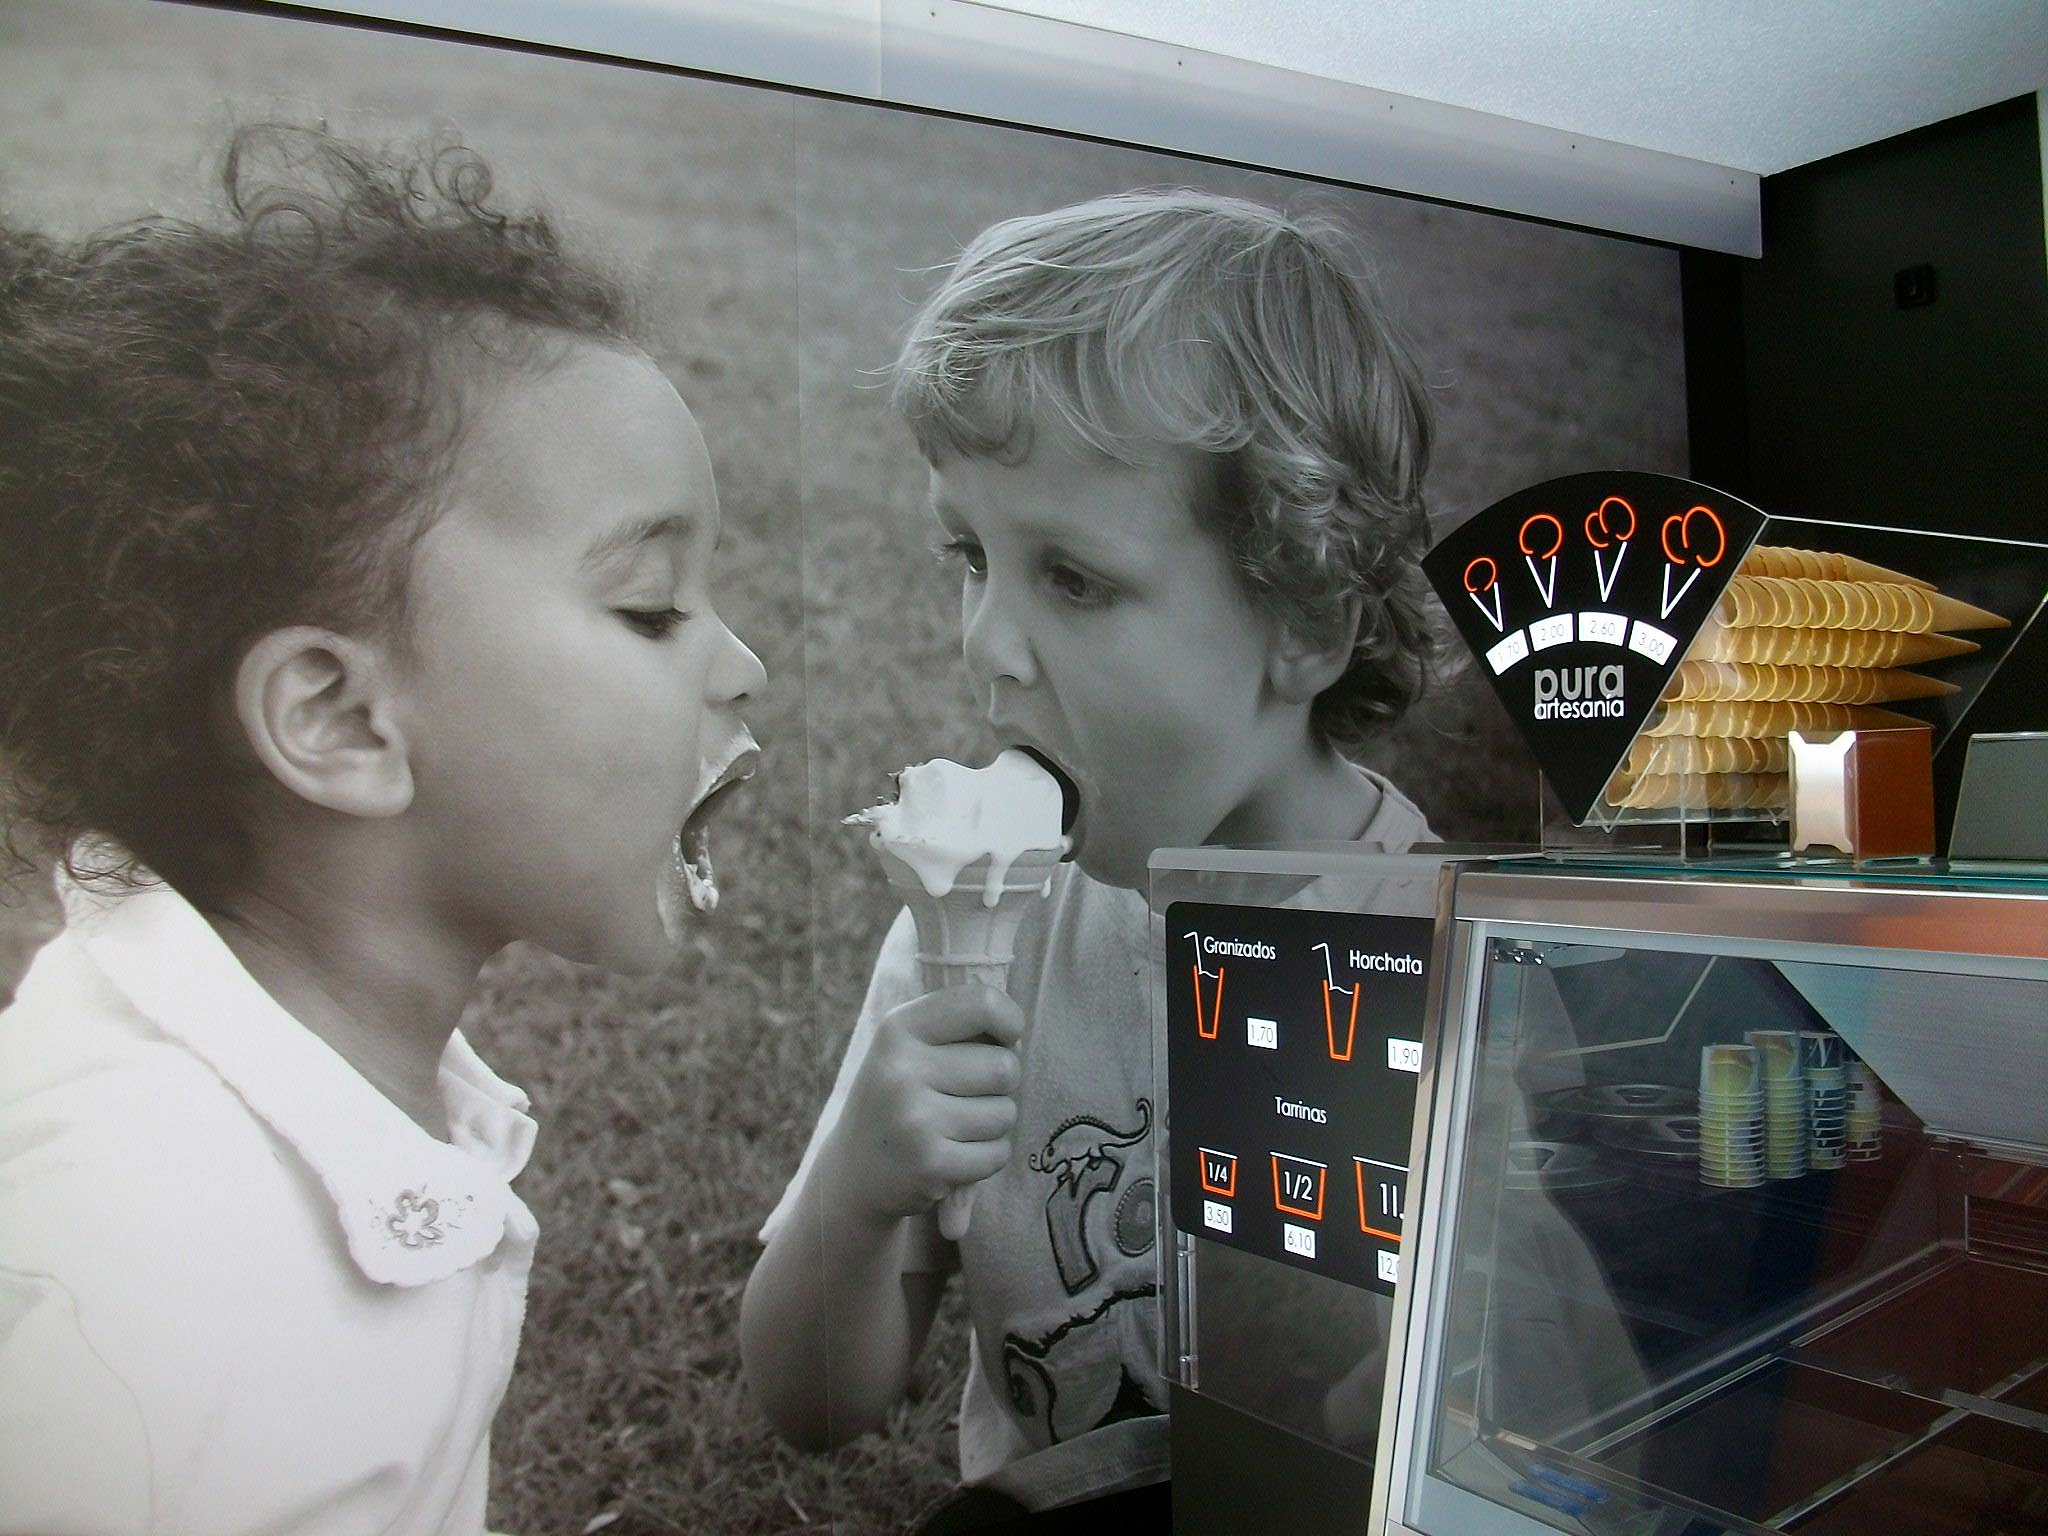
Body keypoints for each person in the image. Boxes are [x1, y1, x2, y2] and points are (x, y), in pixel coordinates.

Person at [0, 126, 764, 1535]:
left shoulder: (324, 1071)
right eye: (651, 608)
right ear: (341, 721)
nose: (742, 668)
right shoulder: (140, 1315)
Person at [742, 190, 1439, 1522]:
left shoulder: (1436, 968)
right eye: (971, 556)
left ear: (1307, 621)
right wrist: (857, 1190)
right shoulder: (987, 933)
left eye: (1073, 579)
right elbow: (812, 1405)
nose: (987, 644)